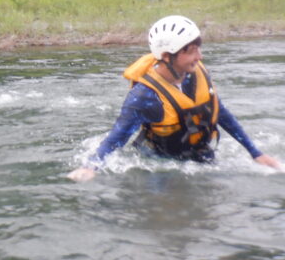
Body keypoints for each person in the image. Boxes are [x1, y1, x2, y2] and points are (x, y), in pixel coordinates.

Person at [68, 15, 281, 182]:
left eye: (199, 48)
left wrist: (256, 153)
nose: (199, 57)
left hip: (199, 156)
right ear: (167, 56)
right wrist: (90, 166)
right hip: (159, 164)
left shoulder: (196, 73)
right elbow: (118, 136)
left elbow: (219, 112)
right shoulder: (145, 96)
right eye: (191, 51)